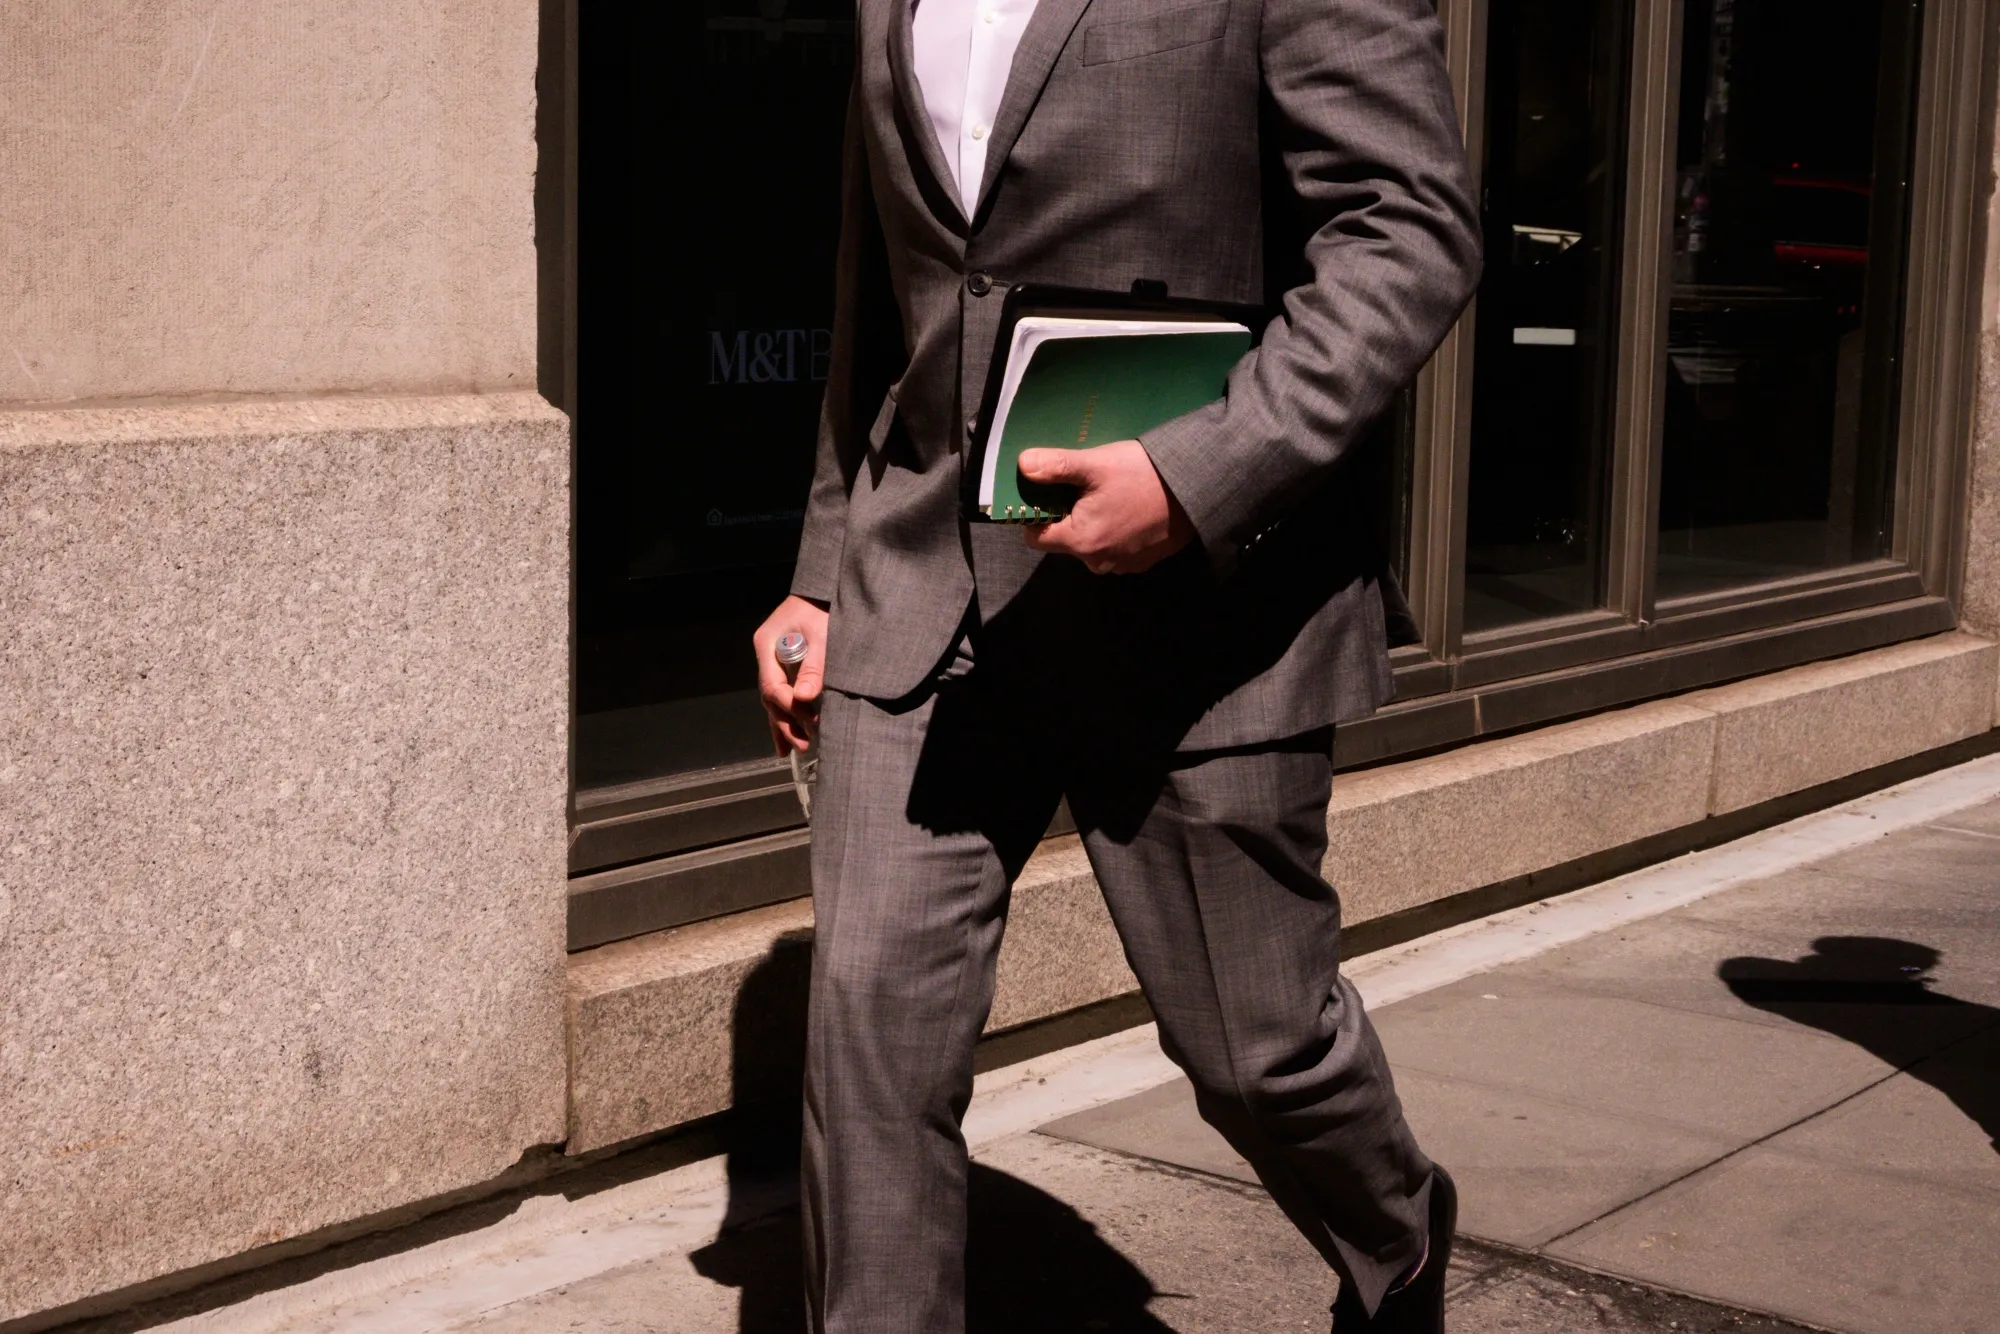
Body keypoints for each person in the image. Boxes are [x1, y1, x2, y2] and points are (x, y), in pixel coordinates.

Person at [753, 0, 1480, 1328]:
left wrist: (1199, 473)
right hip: (922, 588)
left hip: (1200, 615)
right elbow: (886, 298)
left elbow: (1407, 232)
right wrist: (820, 570)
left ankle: (1396, 1231)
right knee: (868, 1049)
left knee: (1257, 1053)